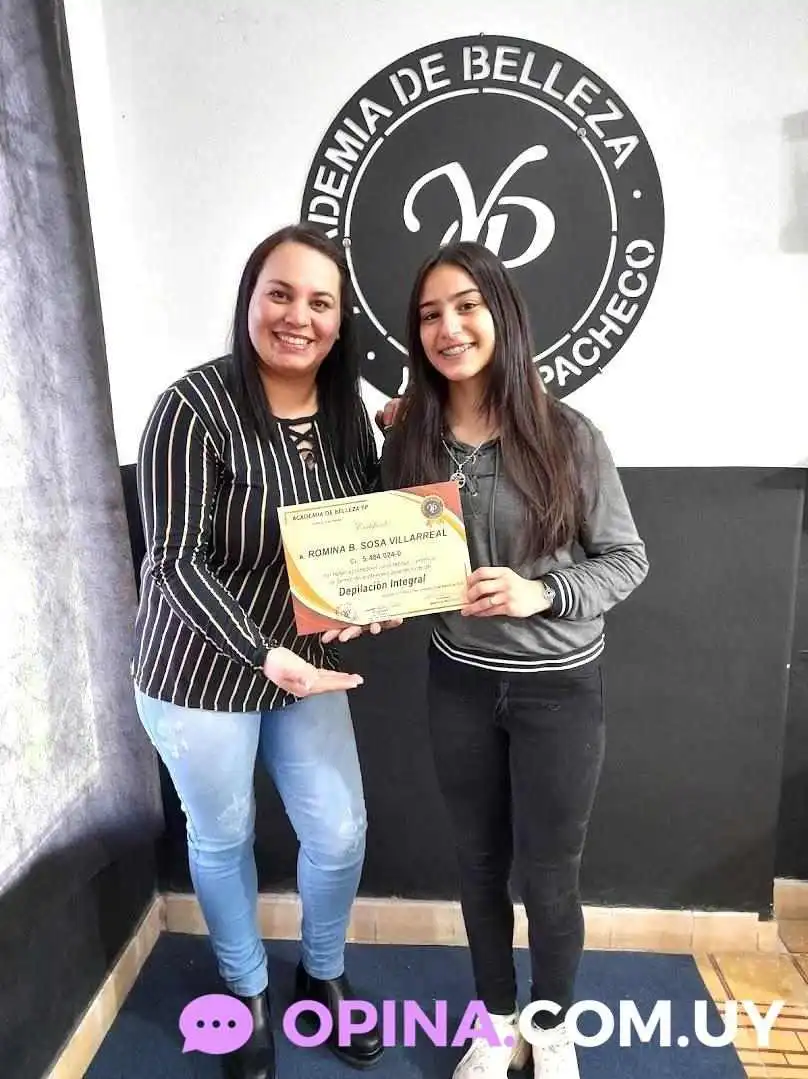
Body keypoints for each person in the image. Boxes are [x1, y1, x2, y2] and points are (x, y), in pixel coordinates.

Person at [380, 242, 649, 1079]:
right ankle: (496, 1024)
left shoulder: (567, 435)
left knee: (551, 875)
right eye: (430, 314)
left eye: (466, 306)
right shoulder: (411, 437)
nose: (449, 327)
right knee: (478, 864)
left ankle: (552, 1026)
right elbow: (395, 558)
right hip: (458, 684)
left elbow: (627, 559)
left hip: (559, 691)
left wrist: (542, 593)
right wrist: (376, 597)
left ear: (502, 313)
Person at [132, 224, 392, 1079]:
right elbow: (173, 559)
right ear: (250, 299)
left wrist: (375, 599)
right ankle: (244, 992)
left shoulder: (347, 412)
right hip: (199, 667)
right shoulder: (192, 407)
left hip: (302, 665)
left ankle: (322, 971)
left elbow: (367, 530)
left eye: (320, 301)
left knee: (340, 830)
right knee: (224, 834)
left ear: (341, 319)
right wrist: (261, 652)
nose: (298, 316)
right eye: (279, 293)